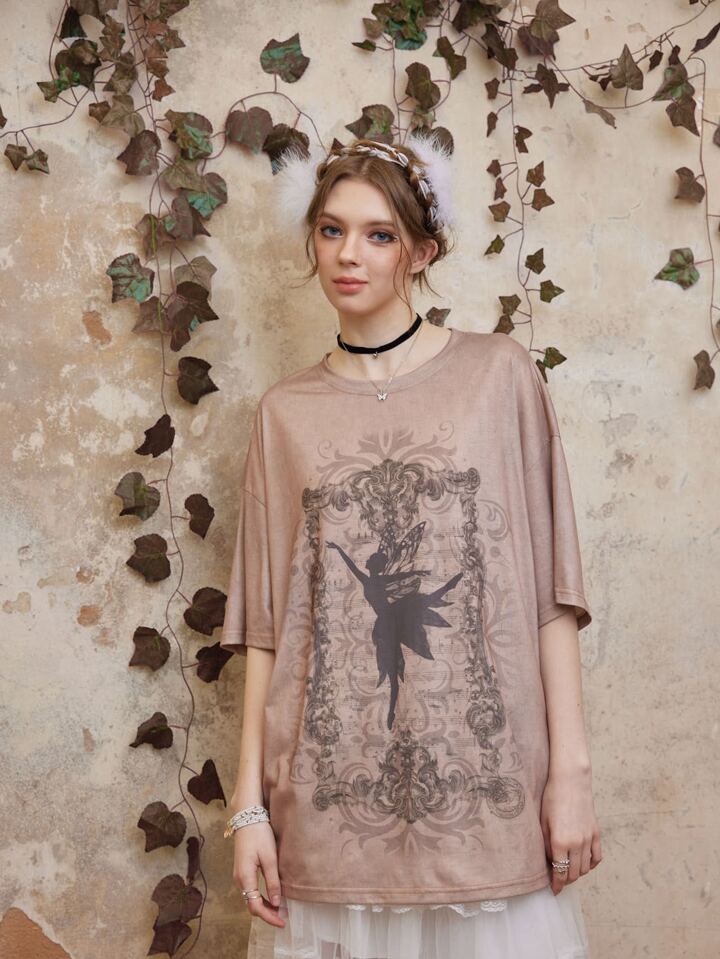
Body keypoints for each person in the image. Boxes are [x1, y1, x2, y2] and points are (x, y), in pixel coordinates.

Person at [220, 134, 603, 959]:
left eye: (378, 234)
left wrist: (570, 772)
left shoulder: (499, 376)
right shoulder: (284, 414)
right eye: (331, 230)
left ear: (421, 251)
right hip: (330, 807)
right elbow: (266, 629)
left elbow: (550, 593)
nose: (347, 254)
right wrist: (248, 806)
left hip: (486, 801)